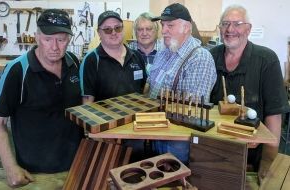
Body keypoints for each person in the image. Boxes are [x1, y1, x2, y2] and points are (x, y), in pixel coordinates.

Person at [0, 9, 84, 187]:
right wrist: (10, 167)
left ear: (69, 39)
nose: (55, 47)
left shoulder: (74, 62)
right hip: (35, 173)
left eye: (61, 40)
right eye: (48, 39)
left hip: (75, 164)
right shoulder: (17, 70)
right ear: (36, 37)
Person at [210, 5, 290, 181]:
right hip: (213, 150)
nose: (230, 29)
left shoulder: (266, 60)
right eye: (225, 24)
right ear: (220, 28)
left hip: (251, 156)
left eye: (237, 24)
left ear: (248, 29)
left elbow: (274, 117)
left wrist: (267, 164)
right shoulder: (210, 56)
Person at [147, 3, 217, 164]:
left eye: (170, 25)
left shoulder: (199, 58)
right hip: (155, 132)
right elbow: (150, 88)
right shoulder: (163, 53)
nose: (163, 30)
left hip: (178, 141)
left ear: (186, 27)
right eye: (162, 25)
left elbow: (191, 110)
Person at [80, 10, 147, 103]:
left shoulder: (137, 56)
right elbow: (87, 102)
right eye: (107, 29)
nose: (113, 32)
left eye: (117, 28)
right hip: (104, 117)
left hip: (136, 116)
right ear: (99, 33)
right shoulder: (92, 60)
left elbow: (145, 90)